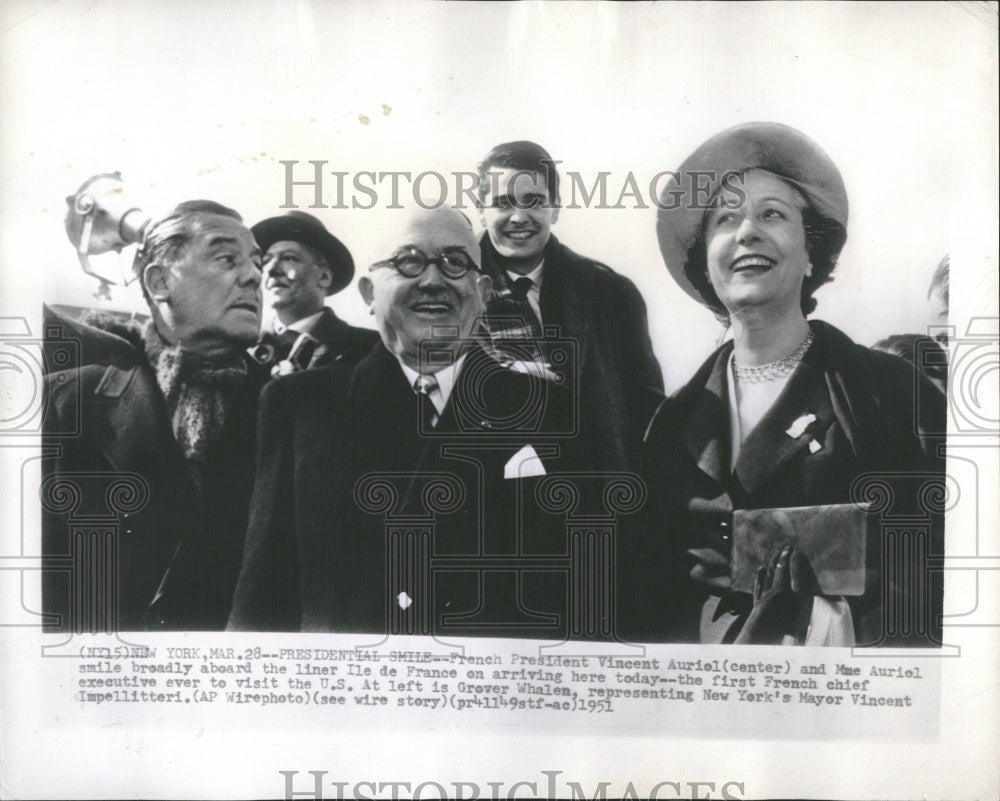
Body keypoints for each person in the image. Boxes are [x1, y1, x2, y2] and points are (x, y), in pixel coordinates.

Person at [639, 122, 946, 646]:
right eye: (725, 218)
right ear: (705, 264)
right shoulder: (673, 421)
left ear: (811, 254)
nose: (746, 232)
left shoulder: (892, 392)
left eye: (773, 214)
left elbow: (945, 565)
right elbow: (653, 586)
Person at [228, 206, 583, 637]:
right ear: (368, 293)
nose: (433, 280)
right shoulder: (299, 404)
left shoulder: (550, 409)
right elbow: (262, 590)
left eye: (455, 263)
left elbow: (579, 588)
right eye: (407, 262)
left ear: (484, 291)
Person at [42, 200, 269, 631]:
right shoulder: (67, 400)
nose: (255, 276)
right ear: (159, 281)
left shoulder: (291, 413)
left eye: (257, 263)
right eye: (226, 258)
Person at [476, 140, 664, 472]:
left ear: (556, 208)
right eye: (502, 203)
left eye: (534, 202)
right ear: (481, 209)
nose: (519, 217)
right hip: (492, 504)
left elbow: (649, 415)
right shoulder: (453, 294)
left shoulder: (610, 293)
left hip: (598, 500)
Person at [250, 210, 378, 373]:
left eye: (289, 258)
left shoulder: (370, 349)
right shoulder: (241, 347)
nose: (271, 269)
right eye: (265, 261)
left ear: (324, 276)